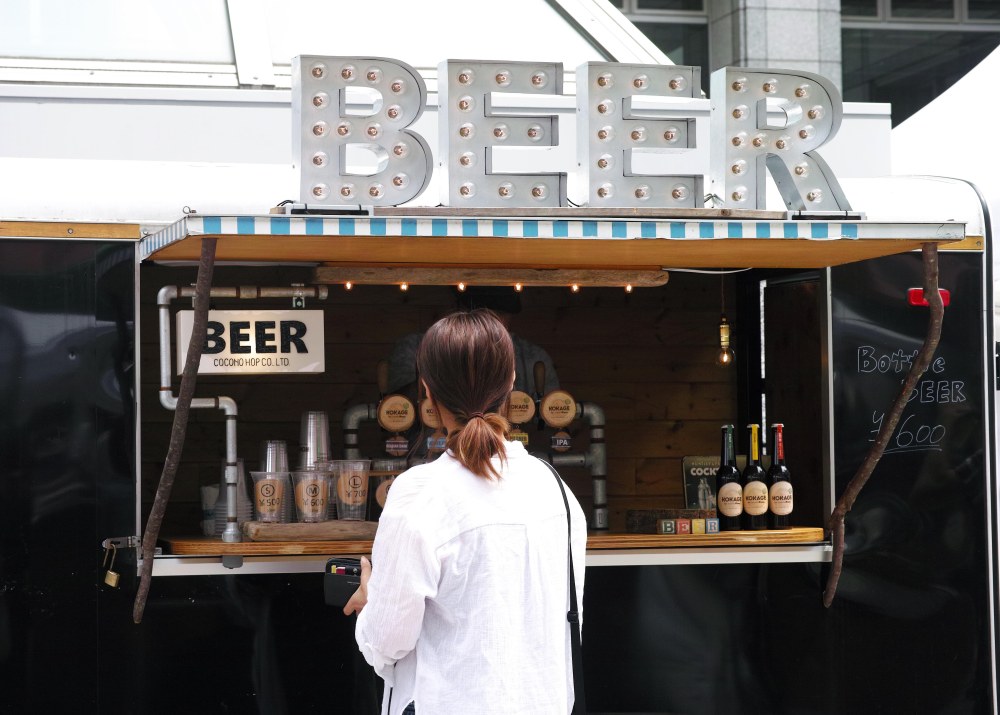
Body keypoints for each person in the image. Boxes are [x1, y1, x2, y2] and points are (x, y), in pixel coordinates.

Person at [344, 309, 587, 715]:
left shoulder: (418, 493)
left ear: (426, 391)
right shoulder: (557, 491)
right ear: (512, 383)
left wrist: (373, 601)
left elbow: (387, 643)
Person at [385, 286, 559, 396]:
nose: (487, 324)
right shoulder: (415, 348)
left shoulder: (533, 357)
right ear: (459, 311)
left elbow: (551, 423)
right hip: (428, 453)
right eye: (481, 314)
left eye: (499, 315)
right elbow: (395, 410)